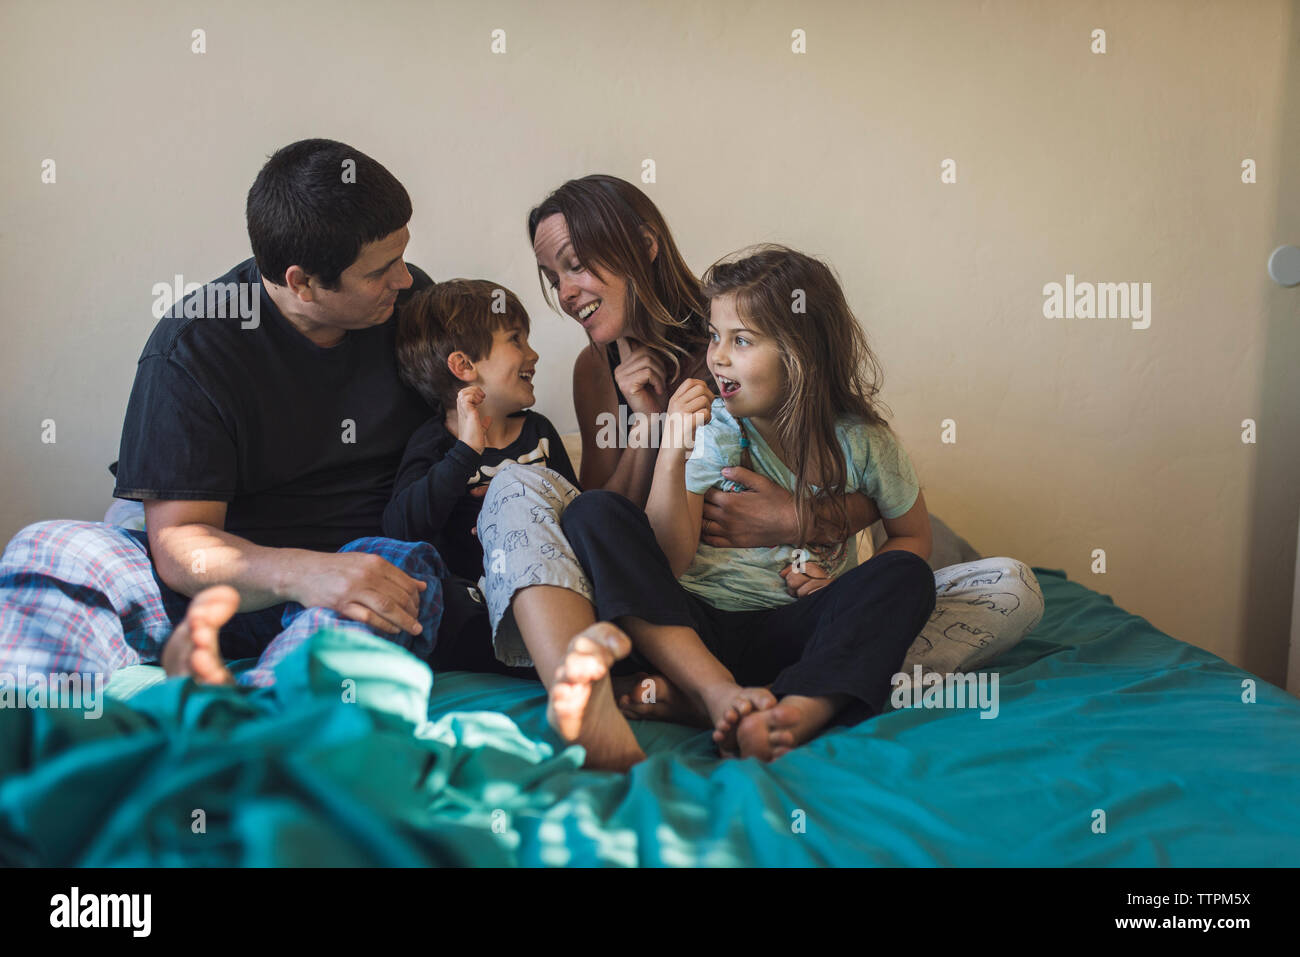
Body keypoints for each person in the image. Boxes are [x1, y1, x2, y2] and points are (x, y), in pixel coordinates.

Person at [0, 139, 451, 689]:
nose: (404, 279)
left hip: (365, 566)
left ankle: (252, 732)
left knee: (399, 573)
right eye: (382, 270)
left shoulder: (414, 307)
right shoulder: (194, 346)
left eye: (402, 257)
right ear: (301, 282)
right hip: (219, 587)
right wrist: (303, 573)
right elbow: (181, 541)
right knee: (51, 549)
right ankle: (35, 743)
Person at [550, 245, 942, 764]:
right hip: (695, 632)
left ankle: (796, 709)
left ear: (802, 353)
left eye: (741, 340)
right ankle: (716, 694)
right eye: (715, 336)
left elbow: (913, 536)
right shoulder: (715, 429)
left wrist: (841, 589)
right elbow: (670, 560)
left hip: (795, 627)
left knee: (907, 575)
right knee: (593, 513)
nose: (717, 356)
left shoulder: (867, 444)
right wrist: (672, 450)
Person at [382, 279, 579, 677]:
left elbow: (575, 508)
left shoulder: (537, 431)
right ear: (464, 366)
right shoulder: (435, 444)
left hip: (551, 590)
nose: (533, 354)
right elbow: (400, 527)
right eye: (516, 341)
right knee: (446, 605)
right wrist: (464, 454)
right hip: (477, 599)